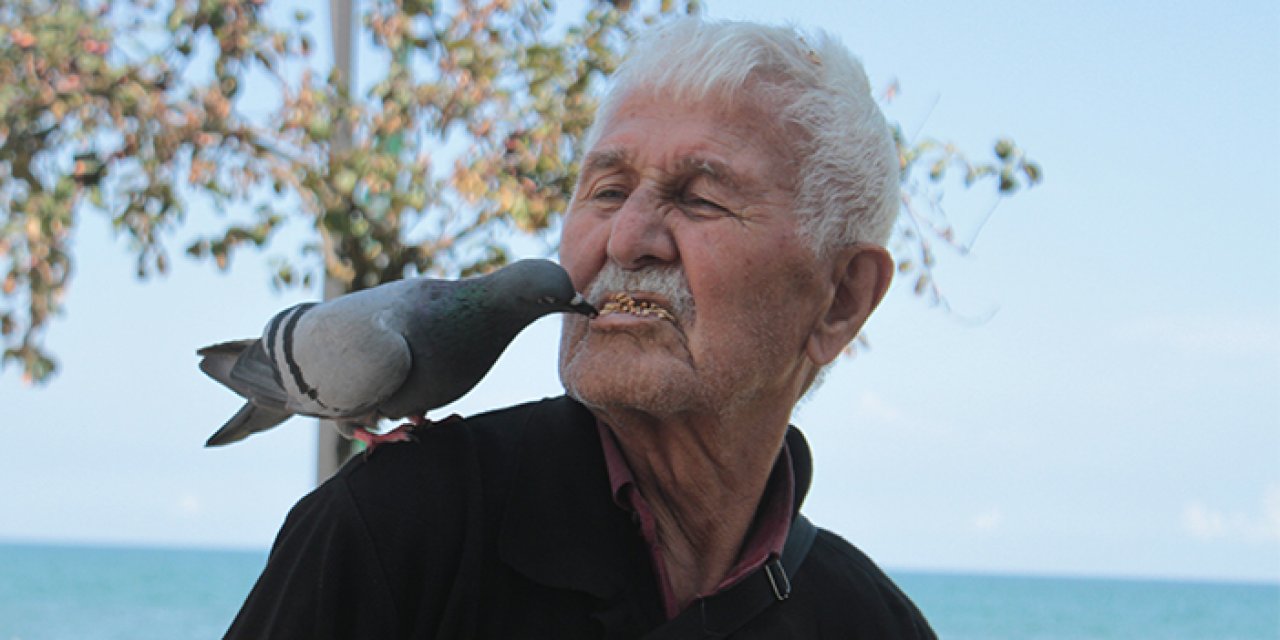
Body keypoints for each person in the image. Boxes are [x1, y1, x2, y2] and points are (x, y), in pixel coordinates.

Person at [224, 17, 936, 639]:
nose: (627, 241)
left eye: (701, 199)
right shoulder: (396, 528)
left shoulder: (871, 623)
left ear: (841, 298)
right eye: (607, 190)